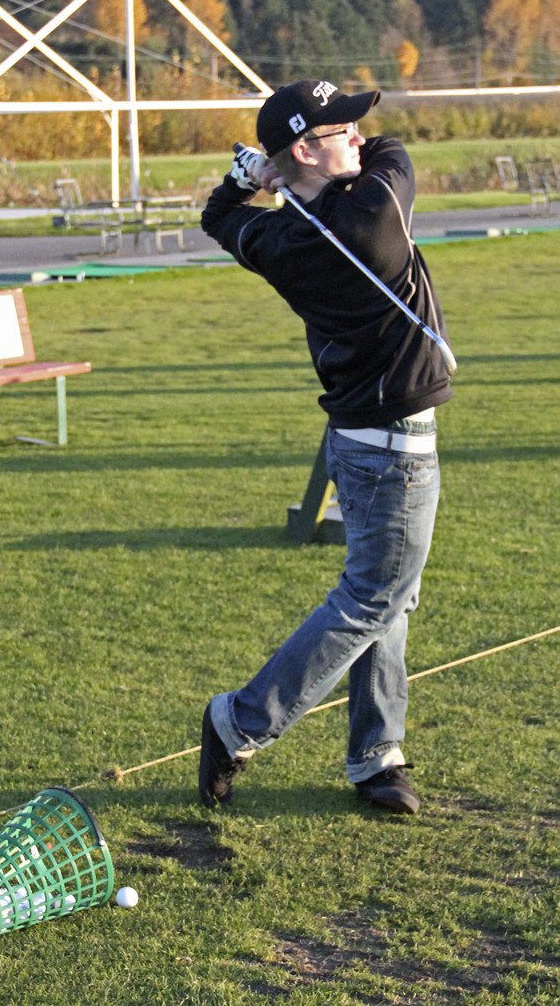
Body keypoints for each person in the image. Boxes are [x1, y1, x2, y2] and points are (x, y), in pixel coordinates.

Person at [198, 79, 454, 815]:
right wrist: (283, 169)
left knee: (388, 598)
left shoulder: (279, 240)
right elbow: (392, 152)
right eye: (341, 127)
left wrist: (255, 177)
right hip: (393, 447)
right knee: (375, 597)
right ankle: (240, 722)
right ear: (310, 146)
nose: (359, 135)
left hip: (356, 440)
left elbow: (222, 217)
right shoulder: (376, 210)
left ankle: (376, 754)